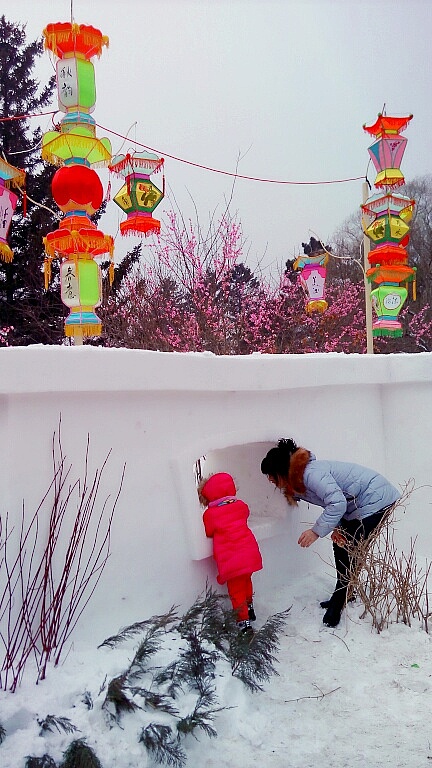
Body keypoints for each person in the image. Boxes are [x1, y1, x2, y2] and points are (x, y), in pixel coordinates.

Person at [261, 438, 400, 628]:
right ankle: (345, 593)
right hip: (359, 504)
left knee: (349, 547)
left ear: (281, 470)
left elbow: (337, 502)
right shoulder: (299, 480)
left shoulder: (311, 474)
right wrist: (337, 526)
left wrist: (315, 532)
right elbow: (336, 500)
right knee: (343, 544)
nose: (269, 480)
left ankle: (339, 600)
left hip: (375, 499)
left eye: (271, 475)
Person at [198, 472, 263, 634]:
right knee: (246, 582)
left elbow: (208, 531)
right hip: (249, 553)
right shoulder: (241, 506)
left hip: (232, 560)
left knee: (236, 591)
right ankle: (250, 608)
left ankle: (244, 623)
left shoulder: (210, 515)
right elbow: (244, 516)